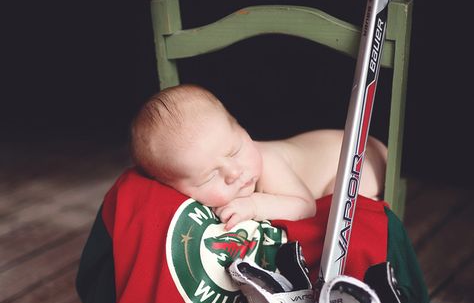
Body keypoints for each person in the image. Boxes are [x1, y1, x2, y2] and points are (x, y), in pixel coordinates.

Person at [130, 84, 388, 230]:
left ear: (243, 130)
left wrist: (253, 206)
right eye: (209, 176)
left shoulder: (268, 161)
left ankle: (375, 200)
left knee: (341, 203)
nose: (234, 172)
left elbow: (305, 206)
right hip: (340, 147)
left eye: (235, 151)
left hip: (357, 154)